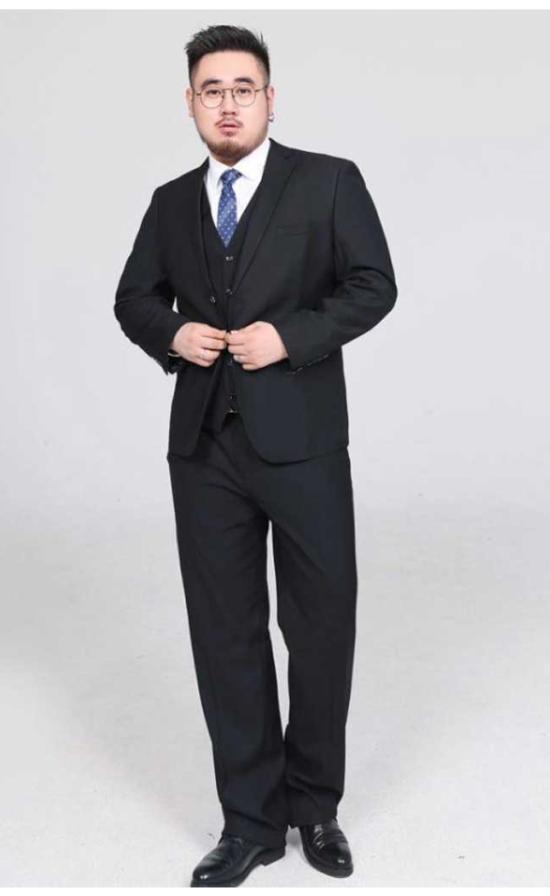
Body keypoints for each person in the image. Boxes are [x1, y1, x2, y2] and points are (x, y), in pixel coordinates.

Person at [114, 24, 397, 888]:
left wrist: (292, 337)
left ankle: (315, 808)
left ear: (271, 99)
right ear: (191, 103)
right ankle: (249, 823)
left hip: (304, 442)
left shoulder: (328, 181)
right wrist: (173, 334)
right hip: (205, 448)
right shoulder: (171, 202)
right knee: (225, 635)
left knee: (321, 627)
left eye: (243, 88)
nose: (228, 104)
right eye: (213, 90)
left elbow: (374, 285)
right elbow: (133, 298)